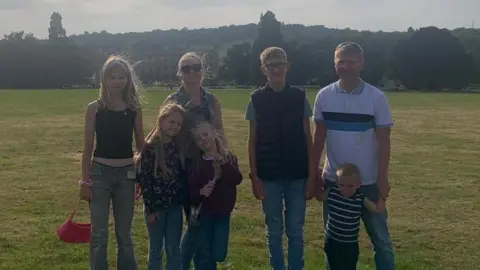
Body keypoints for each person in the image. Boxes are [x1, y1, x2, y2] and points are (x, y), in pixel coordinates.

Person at [312, 41, 395, 270]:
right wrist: (314, 176)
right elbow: (318, 139)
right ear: (334, 64)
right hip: (335, 184)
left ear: (361, 64)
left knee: (382, 241)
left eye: (351, 62)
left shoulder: (376, 97)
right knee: (334, 242)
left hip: (368, 182)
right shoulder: (324, 96)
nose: (346, 66)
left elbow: (384, 140)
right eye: (341, 62)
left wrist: (382, 178)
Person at [244, 47, 316, 270]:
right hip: (269, 176)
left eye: (280, 64)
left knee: (295, 229)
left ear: (287, 66)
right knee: (274, 230)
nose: (276, 69)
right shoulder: (256, 100)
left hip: (297, 174)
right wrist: (255, 177)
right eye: (270, 65)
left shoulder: (299, 97)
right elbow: (252, 141)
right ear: (263, 69)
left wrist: (313, 175)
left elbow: (308, 135)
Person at [78, 55, 144, 270]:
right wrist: (85, 182)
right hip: (99, 176)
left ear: (128, 79)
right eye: (112, 77)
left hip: (127, 176)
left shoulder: (134, 108)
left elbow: (141, 146)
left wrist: (141, 176)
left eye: (122, 77)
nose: (117, 81)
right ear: (104, 79)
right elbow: (87, 148)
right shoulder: (94, 108)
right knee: (99, 234)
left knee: (124, 233)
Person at [134, 103, 187, 270]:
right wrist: (150, 209)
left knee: (173, 249)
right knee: (156, 249)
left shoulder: (178, 147)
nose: (175, 127)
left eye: (179, 124)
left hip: (175, 208)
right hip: (156, 209)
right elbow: (145, 181)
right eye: (171, 122)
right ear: (161, 120)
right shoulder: (150, 147)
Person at [187, 117, 243, 269]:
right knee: (204, 253)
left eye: (205, 134)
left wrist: (224, 164)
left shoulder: (229, 158)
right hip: (204, 214)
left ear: (214, 133)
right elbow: (191, 190)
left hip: (223, 214)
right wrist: (201, 191)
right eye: (198, 139)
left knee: (218, 253)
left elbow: (237, 179)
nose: (203, 139)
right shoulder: (198, 163)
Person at [317, 163, 385, 270]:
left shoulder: (360, 198)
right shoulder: (331, 192)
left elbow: (376, 209)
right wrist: (317, 179)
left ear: (358, 185)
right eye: (342, 185)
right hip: (331, 241)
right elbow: (320, 197)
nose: (346, 189)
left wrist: (382, 195)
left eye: (350, 186)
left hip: (350, 245)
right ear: (337, 183)